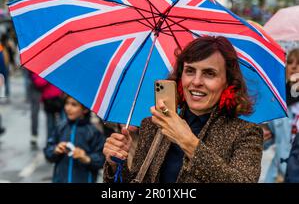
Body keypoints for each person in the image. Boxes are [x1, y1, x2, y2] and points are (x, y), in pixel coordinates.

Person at [103, 36, 264, 183]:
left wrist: (188, 142)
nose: (196, 82)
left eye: (209, 73)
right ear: (181, 77)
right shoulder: (153, 125)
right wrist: (116, 164)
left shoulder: (246, 133)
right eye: (190, 71)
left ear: (228, 82)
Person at [44, 96, 105, 183]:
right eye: (67, 103)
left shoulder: (93, 132)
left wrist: (86, 158)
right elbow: (48, 151)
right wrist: (55, 150)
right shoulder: (60, 127)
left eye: (74, 105)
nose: (68, 108)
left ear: (85, 109)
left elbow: (102, 159)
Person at [264, 48, 299, 183]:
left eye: (298, 63)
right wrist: (262, 136)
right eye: (289, 62)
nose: (294, 67)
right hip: (278, 176)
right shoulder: (277, 102)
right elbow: (267, 142)